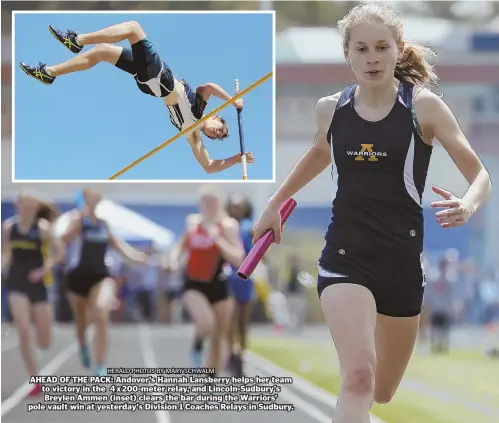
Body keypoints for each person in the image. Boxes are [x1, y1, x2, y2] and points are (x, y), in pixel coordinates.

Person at [252, 4, 492, 422]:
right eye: (361, 49)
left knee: (381, 390)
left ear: (399, 51)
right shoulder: (331, 109)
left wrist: (467, 204)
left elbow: (480, 174)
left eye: (382, 47)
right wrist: (274, 203)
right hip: (346, 257)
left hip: (401, 263)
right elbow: (319, 153)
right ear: (348, 55)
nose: (372, 57)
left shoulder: (424, 107)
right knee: (359, 378)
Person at [19, 21, 254, 174]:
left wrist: (237, 157)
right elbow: (210, 86)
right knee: (101, 52)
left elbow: (209, 166)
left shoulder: (194, 134)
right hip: (153, 79)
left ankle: (76, 40)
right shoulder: (201, 103)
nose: (216, 132)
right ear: (218, 118)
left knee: (133, 28)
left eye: (218, 136)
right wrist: (233, 101)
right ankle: (49, 73)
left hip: (159, 80)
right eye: (220, 129)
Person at [59, 189, 149, 376]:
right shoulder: (77, 221)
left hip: (100, 276)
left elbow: (120, 247)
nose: (93, 202)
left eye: (95, 199)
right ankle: (83, 345)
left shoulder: (103, 225)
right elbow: (62, 241)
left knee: (101, 314)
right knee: (82, 321)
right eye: (89, 199)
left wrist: (139, 257)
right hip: (76, 277)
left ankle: (101, 364)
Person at [169, 186, 244, 376]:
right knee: (206, 323)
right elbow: (180, 246)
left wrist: (217, 239)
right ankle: (197, 344)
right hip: (194, 283)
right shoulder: (192, 223)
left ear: (220, 203)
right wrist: (173, 259)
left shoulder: (228, 226)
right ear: (200, 203)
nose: (210, 206)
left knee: (219, 336)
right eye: (206, 201)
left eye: (214, 201)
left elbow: (238, 257)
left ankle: (210, 378)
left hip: (219, 283)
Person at [1, 192, 65, 396]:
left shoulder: (42, 228)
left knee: (44, 340)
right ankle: (35, 378)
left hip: (38, 284)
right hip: (17, 282)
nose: (26, 207)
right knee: (24, 329)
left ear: (36, 207)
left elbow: (60, 253)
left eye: (30, 203)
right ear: (17, 205)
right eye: (22, 203)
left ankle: (38, 356)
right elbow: (4, 253)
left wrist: (44, 270)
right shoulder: (10, 227)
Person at [226, 194, 255, 376]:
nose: (237, 209)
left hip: (245, 278)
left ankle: (242, 354)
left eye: (240, 206)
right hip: (228, 277)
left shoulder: (249, 227)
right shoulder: (225, 226)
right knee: (230, 319)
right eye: (234, 206)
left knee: (243, 321)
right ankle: (231, 354)